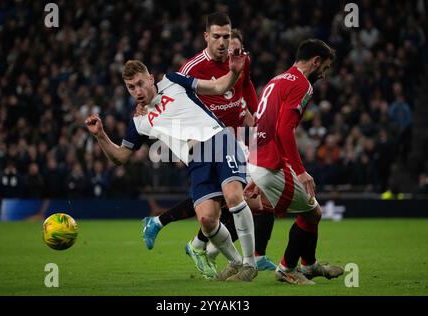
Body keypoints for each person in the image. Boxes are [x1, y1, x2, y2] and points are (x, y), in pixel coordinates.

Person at [85, 54, 258, 281]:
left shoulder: (173, 81)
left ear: (150, 78)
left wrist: (234, 72)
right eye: (130, 87)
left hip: (218, 139)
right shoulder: (139, 122)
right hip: (196, 160)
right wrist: (100, 136)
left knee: (234, 195)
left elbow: (217, 86)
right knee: (206, 219)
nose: (137, 91)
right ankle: (235, 263)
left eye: (140, 84)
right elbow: (120, 157)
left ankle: (250, 264)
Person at [142, 13, 277, 276]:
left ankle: (207, 246)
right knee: (227, 201)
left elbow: (245, 85)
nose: (224, 43)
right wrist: (180, 143)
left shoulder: (240, 60)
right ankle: (231, 254)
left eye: (227, 37)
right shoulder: (191, 69)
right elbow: (172, 105)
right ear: (207, 37)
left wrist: (254, 115)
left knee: (246, 202)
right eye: (217, 36)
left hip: (234, 136)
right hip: (204, 140)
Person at [245, 39, 344, 284]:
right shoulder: (302, 85)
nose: (323, 75)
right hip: (270, 163)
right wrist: (300, 171)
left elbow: (262, 123)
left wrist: (256, 173)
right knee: (313, 213)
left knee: (311, 212)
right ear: (316, 61)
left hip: (260, 158)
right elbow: (283, 130)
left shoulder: (276, 80)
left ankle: (308, 264)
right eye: (325, 68)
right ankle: (287, 268)